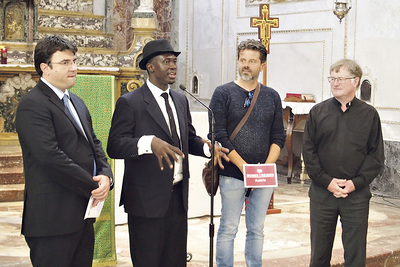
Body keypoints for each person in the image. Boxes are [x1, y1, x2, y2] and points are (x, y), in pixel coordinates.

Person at [107, 39, 229, 267]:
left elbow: (187, 138)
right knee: (148, 261)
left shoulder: (180, 100)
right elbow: (114, 145)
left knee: (175, 260)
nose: (173, 66)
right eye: (166, 61)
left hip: (177, 197)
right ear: (150, 67)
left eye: (174, 61)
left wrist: (207, 148)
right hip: (146, 200)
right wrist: (148, 143)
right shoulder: (130, 102)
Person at [15, 35, 113, 266]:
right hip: (52, 220)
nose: (73, 68)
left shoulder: (76, 101)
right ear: (44, 68)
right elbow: (50, 156)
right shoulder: (33, 104)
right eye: (65, 63)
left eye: (74, 61)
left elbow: (94, 145)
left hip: (81, 216)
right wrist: (93, 184)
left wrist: (107, 176)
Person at [209, 39, 286, 267]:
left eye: (252, 61)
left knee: (257, 229)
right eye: (243, 60)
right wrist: (245, 168)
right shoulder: (223, 93)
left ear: (261, 65)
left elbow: (278, 137)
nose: (246, 65)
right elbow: (218, 133)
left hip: (262, 178)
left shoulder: (271, 96)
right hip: (233, 173)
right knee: (228, 228)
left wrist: (262, 170)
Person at [302, 59, 385, 267]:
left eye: (340, 79)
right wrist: (327, 182)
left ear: (355, 81)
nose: (335, 83)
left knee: (355, 256)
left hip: (355, 195)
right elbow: (309, 153)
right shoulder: (317, 113)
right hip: (323, 193)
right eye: (332, 78)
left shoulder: (369, 115)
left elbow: (376, 156)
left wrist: (355, 183)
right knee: (319, 256)